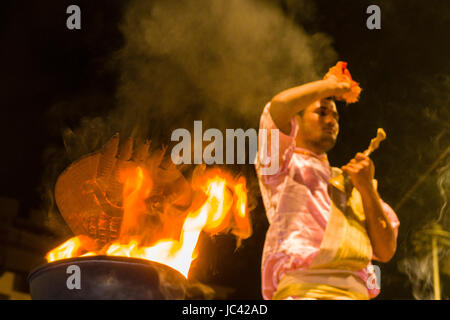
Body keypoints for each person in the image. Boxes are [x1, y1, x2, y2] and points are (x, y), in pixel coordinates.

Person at [255, 70, 400, 300]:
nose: (331, 121)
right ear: (296, 122)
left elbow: (386, 250)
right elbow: (279, 107)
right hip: (304, 293)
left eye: (335, 117)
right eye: (321, 113)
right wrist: (331, 87)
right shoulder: (283, 167)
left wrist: (367, 189)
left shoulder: (351, 183)